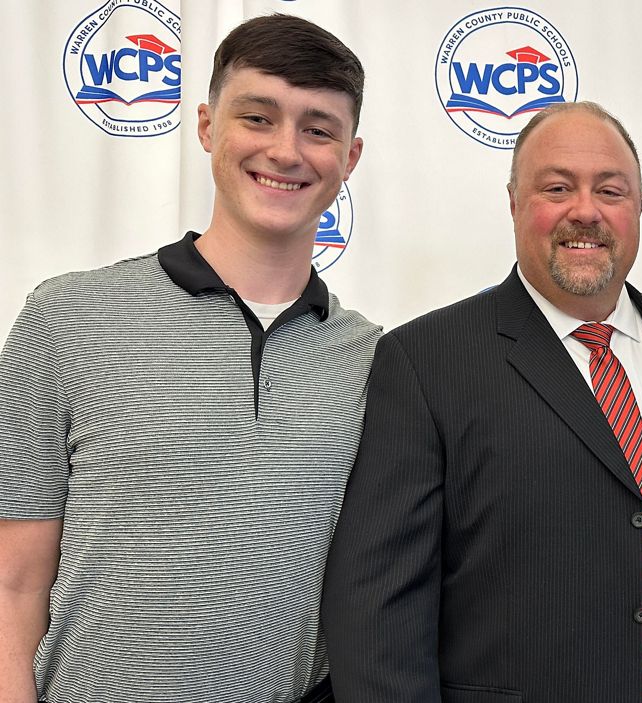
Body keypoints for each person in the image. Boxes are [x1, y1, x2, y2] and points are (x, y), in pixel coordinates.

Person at [0, 14, 378, 703]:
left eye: (318, 129)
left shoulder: (373, 361)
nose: (285, 150)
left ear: (349, 157)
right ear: (207, 127)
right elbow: (13, 581)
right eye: (257, 118)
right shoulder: (65, 318)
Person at [321, 101, 642, 702]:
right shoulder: (427, 361)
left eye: (610, 190)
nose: (585, 211)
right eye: (557, 188)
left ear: (640, 207)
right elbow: (377, 616)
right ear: (513, 203)